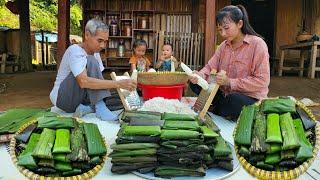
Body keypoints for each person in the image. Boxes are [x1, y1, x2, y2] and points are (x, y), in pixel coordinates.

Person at [189, 5, 270, 120]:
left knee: (233, 101)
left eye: (226, 28)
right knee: (195, 83)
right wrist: (199, 75)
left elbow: (263, 81)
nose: (223, 34)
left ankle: (218, 108)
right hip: (224, 95)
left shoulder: (258, 44)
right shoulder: (223, 46)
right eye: (220, 30)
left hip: (249, 98)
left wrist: (230, 82)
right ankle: (221, 108)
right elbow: (209, 67)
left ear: (240, 24)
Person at [49, 19, 137, 121]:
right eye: (100, 41)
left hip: (81, 98)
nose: (103, 46)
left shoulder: (95, 52)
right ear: (87, 35)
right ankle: (100, 106)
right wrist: (118, 83)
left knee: (121, 97)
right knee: (90, 60)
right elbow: (83, 82)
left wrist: (121, 87)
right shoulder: (74, 50)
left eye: (105, 42)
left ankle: (88, 108)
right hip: (64, 100)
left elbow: (98, 82)